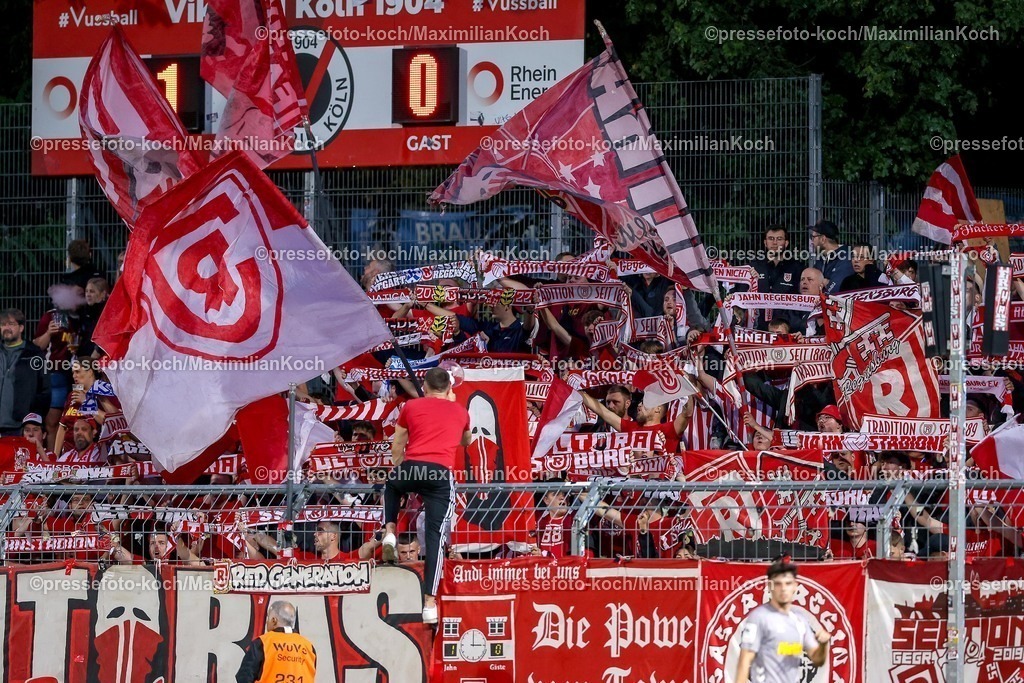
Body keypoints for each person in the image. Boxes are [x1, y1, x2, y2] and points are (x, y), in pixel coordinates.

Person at [381, 367, 471, 624]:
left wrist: (399, 469)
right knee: (435, 538)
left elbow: (398, 444)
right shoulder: (461, 411)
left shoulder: (411, 406)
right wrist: (453, 404)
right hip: (440, 474)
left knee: (392, 485)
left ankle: (389, 532)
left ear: (425, 384)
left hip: (413, 466)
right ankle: (429, 603)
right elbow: (467, 441)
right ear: (449, 388)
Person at [735, 556, 831, 683]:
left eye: (788, 583)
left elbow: (817, 659)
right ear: (770, 586)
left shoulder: (800, 621)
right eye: (778, 584)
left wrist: (823, 645)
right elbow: (744, 660)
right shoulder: (758, 618)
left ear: (795, 586)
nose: (783, 588)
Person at [236, 601, 317, 683]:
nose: (267, 622)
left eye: (268, 618)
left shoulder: (263, 643)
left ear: (274, 620)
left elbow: (244, 677)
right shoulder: (308, 646)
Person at [0, 309, 49, 436]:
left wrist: (33, 420)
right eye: (3, 324)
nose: (6, 328)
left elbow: (45, 390)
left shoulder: (34, 354)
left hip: (20, 426)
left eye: (11, 324)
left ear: (21, 327)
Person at [809, 220, 854, 296]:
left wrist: (826, 284)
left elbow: (835, 289)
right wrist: (825, 282)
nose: (811, 241)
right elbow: (811, 286)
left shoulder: (846, 258)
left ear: (823, 239)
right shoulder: (821, 259)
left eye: (813, 237)